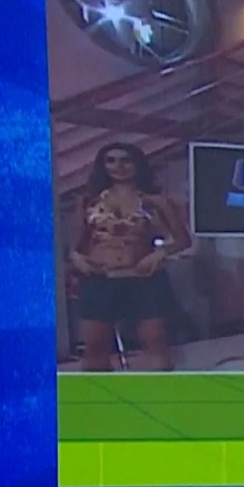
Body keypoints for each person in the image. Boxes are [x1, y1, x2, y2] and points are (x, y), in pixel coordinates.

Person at [67, 142, 190, 370]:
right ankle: (99, 391)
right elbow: (77, 245)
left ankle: (158, 389)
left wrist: (159, 254)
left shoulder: (156, 201)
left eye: (125, 160)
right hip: (100, 279)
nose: (118, 167)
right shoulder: (89, 201)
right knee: (95, 346)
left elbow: (183, 240)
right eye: (111, 161)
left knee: (154, 341)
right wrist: (78, 259)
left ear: (137, 164)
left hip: (144, 279)